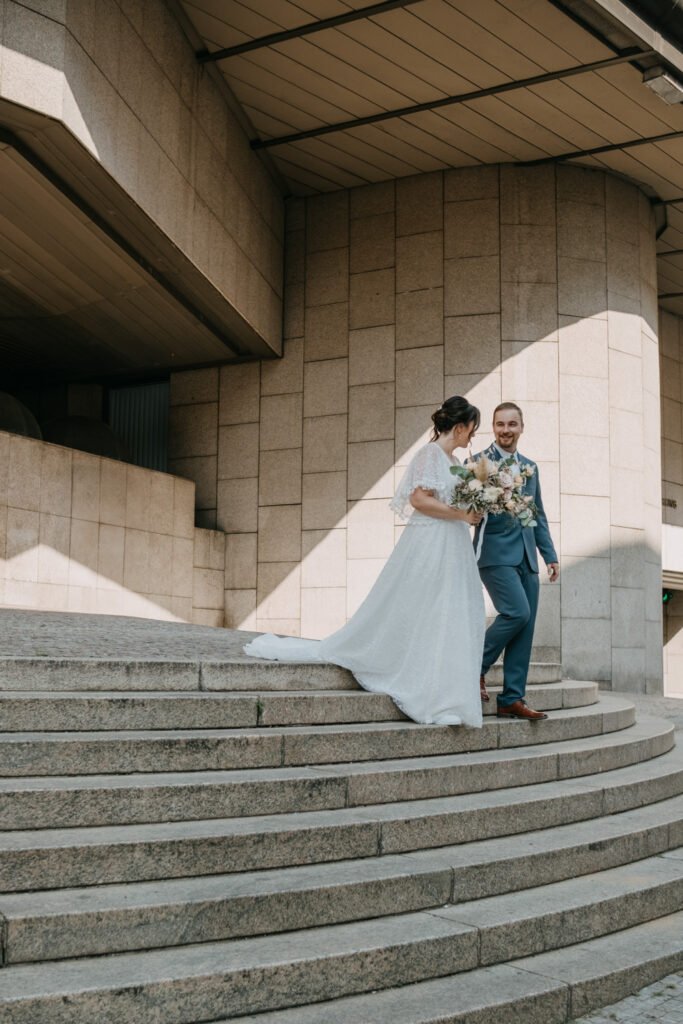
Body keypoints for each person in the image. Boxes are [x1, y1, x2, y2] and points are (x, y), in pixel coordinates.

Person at [244, 396, 486, 727]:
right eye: (471, 430)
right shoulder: (430, 454)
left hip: (453, 542)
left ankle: (445, 690)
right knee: (428, 607)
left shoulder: (453, 460)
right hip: (432, 541)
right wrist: (462, 514)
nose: (471, 437)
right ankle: (423, 686)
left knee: (448, 611)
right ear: (459, 427)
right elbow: (419, 499)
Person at [473, 402, 559, 720]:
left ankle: (511, 697)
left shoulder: (531, 467)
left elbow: (537, 515)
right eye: (500, 424)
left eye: (512, 424)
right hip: (494, 554)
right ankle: (474, 666)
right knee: (516, 613)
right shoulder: (479, 463)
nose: (506, 430)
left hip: (527, 558)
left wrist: (549, 555)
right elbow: (472, 511)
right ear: (493, 427)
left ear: (522, 427)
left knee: (526, 627)